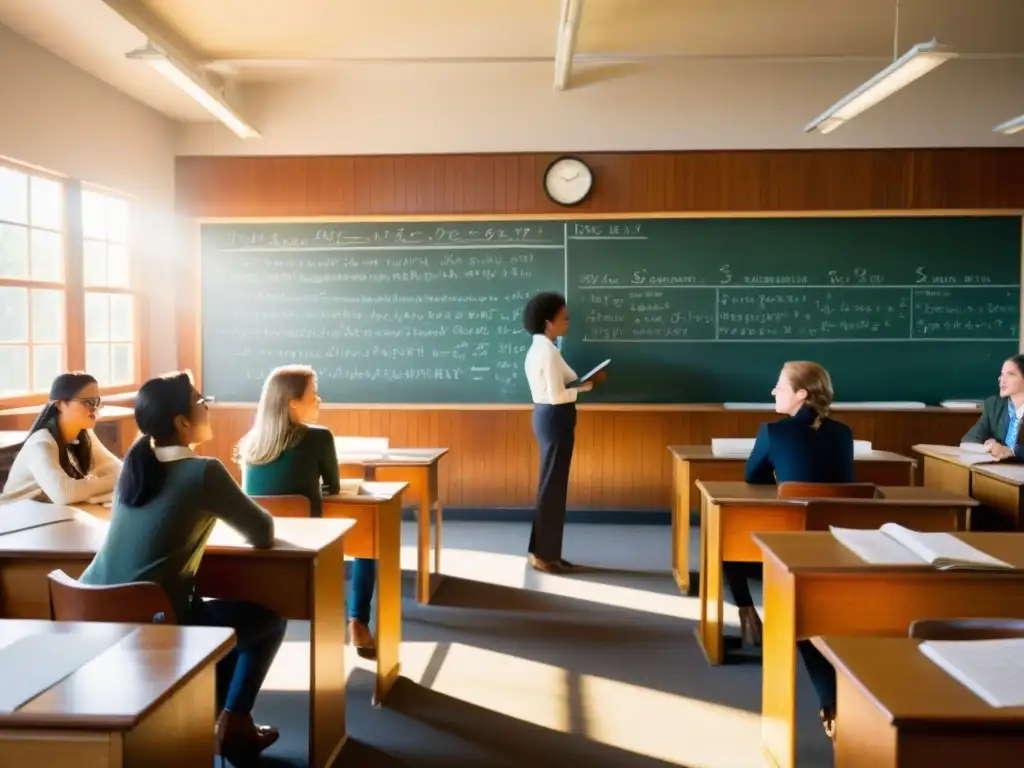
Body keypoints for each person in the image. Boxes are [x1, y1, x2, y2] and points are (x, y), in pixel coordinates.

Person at [79, 371, 283, 763]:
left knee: (212, 617)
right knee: (268, 622)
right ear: (182, 421)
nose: (206, 405)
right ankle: (231, 723)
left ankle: (216, 723)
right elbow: (262, 531)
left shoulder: (137, 464)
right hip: (155, 621)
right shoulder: (203, 471)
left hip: (92, 608)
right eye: (200, 400)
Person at [731, 360, 853, 741]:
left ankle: (747, 613)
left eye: (780, 386)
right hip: (839, 544)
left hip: (794, 549)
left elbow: (752, 476)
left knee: (730, 547)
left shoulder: (772, 431)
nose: (773, 391)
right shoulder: (844, 432)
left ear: (802, 394)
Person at [237, 365, 378, 659]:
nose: (319, 400)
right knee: (368, 543)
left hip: (260, 550)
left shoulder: (251, 443)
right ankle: (358, 621)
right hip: (309, 547)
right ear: (292, 403)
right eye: (313, 394)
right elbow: (333, 486)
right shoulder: (319, 437)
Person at [522, 291, 594, 574]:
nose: (568, 322)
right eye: (564, 318)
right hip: (554, 416)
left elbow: (563, 386)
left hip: (551, 418)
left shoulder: (544, 348)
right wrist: (582, 388)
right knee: (551, 488)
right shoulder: (547, 352)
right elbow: (556, 395)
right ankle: (543, 554)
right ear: (548, 322)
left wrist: (581, 385)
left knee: (552, 487)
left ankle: (544, 551)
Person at [0, 372, 121, 505]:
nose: (94, 409)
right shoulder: (40, 444)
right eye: (87, 402)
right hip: (12, 518)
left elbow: (120, 470)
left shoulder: (85, 435)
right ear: (60, 404)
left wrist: (102, 481)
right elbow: (64, 493)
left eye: (96, 402)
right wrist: (109, 480)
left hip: (47, 515)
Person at [961, 354, 1024, 460]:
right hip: (1000, 470)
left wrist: (1013, 451)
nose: (1002, 380)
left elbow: (1011, 451)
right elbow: (968, 441)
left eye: (1010, 374)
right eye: (1002, 374)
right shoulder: (994, 405)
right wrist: (990, 447)